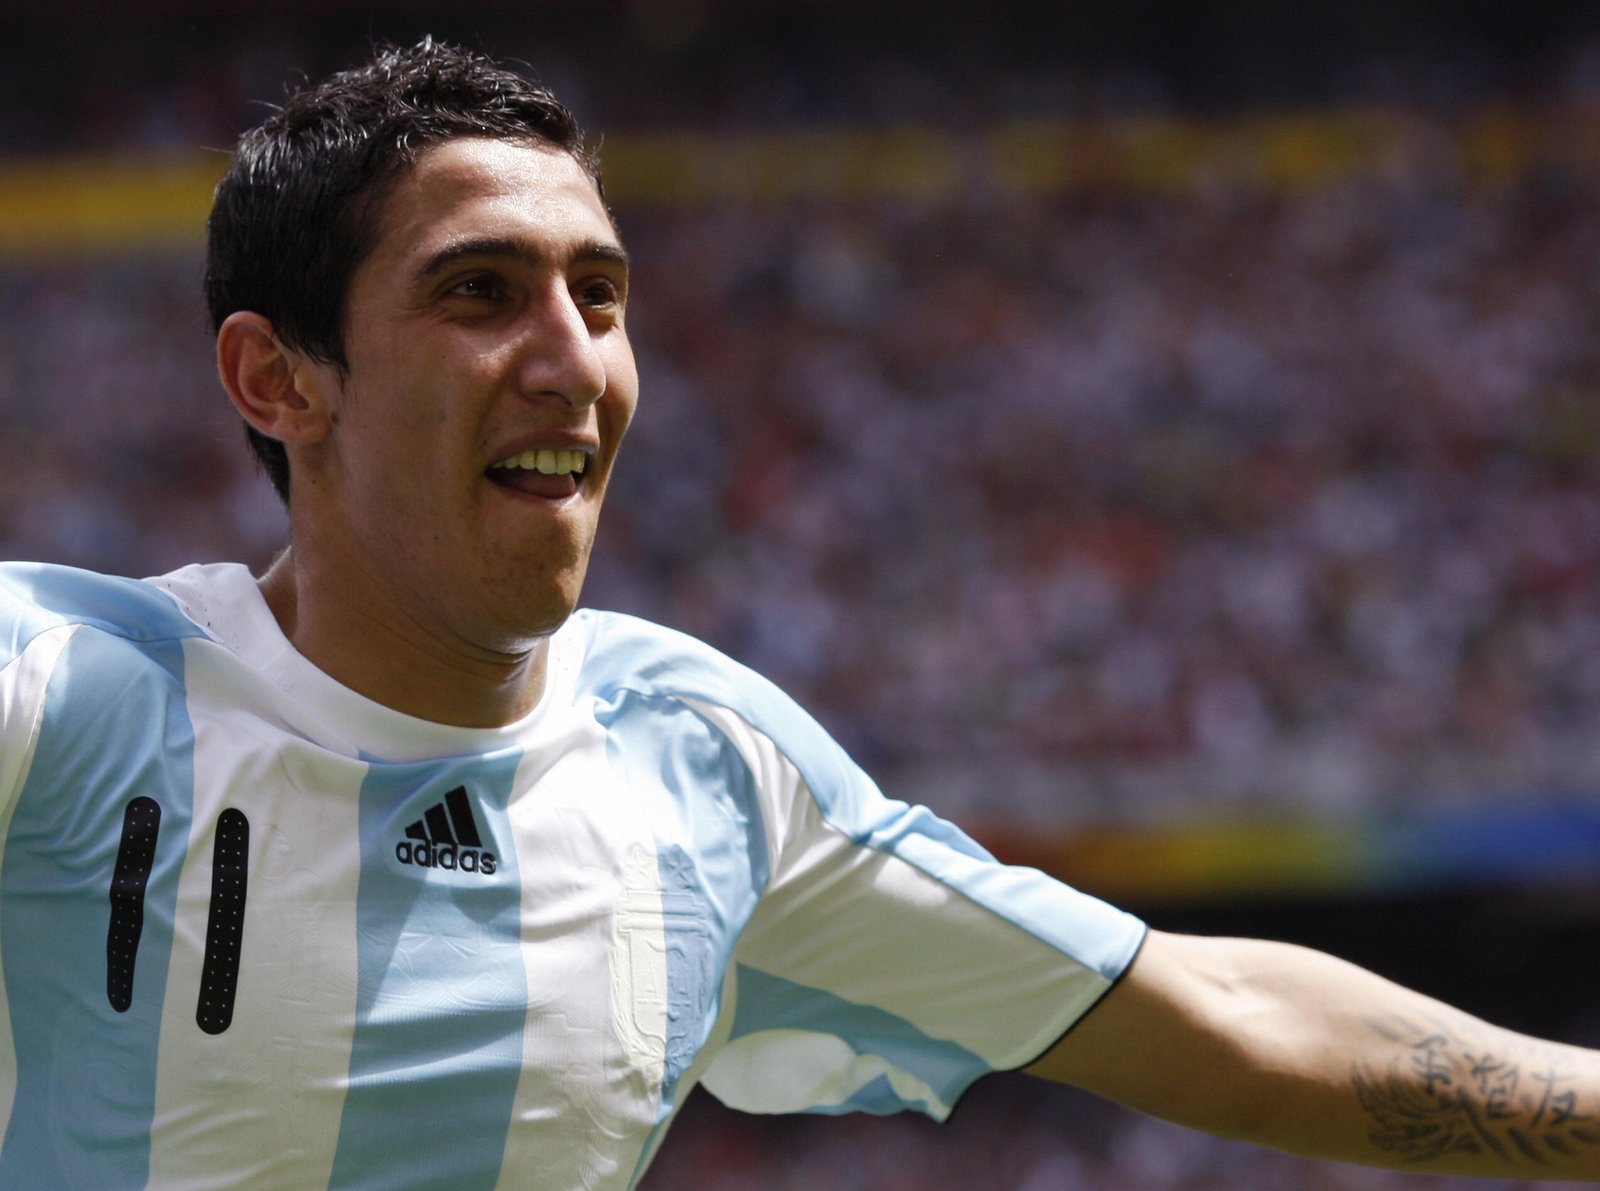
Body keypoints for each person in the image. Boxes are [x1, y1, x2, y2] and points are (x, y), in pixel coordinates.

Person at [0, 38, 1594, 1191]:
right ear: (279, 380)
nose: (574, 358)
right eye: (478, 292)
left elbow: (1227, 1016)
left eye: (602, 294)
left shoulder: (699, 770)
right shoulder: (67, 692)